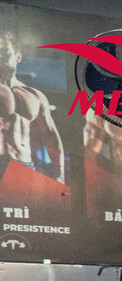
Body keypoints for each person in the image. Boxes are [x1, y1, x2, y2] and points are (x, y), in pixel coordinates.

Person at [0, 32, 64, 181]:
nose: (0, 56)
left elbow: (50, 135)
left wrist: (59, 176)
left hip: (25, 165)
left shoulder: (36, 96)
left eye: (5, 52)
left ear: (18, 57)